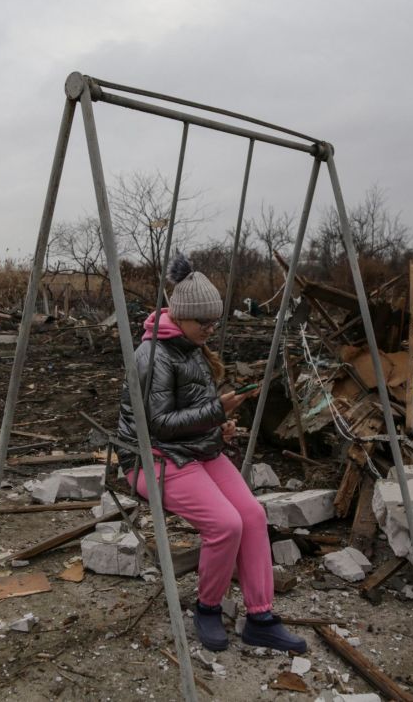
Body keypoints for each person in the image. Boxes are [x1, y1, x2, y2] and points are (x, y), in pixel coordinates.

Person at [116, 252, 306, 653]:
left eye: (213, 321)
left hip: (195, 450)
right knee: (225, 524)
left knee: (252, 516)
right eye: (203, 321)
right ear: (180, 316)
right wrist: (218, 410)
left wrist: (220, 428)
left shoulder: (189, 347)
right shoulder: (153, 355)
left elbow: (191, 417)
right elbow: (159, 424)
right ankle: (207, 607)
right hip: (154, 459)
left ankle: (260, 617)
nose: (209, 328)